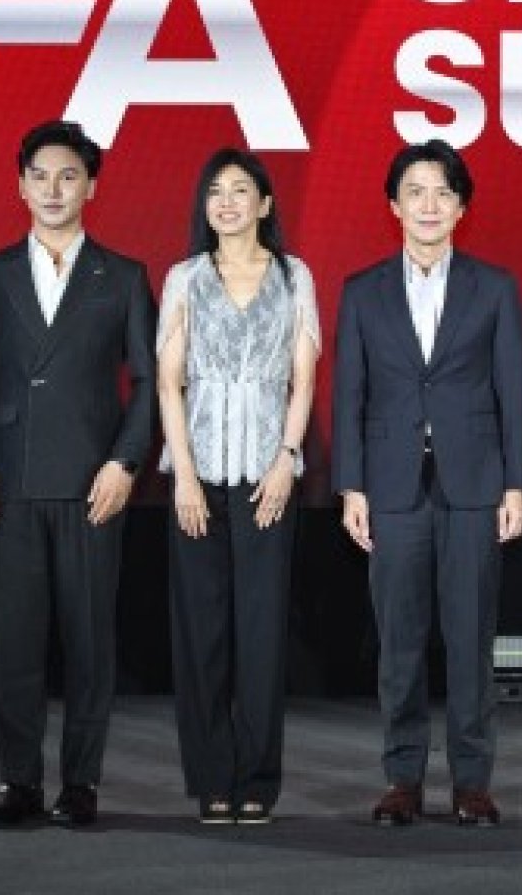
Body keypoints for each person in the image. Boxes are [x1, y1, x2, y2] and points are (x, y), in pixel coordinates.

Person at [0, 120, 157, 829]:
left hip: (92, 484)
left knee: (89, 642)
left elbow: (150, 383)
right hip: (10, 482)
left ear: (91, 187)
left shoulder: (123, 276)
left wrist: (125, 463)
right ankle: (18, 783)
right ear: (20, 186)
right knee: (17, 642)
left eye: (68, 176)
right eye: (39, 176)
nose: (53, 189)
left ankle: (81, 783)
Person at [333, 139, 522, 827]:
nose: (428, 204)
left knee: (471, 639)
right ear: (394, 205)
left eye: (443, 192)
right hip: (390, 488)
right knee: (399, 642)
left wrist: (516, 485)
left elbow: (513, 390)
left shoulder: (494, 287)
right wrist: (351, 487)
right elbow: (350, 394)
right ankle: (403, 779)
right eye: (415, 191)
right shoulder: (362, 291)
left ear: (460, 207)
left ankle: (472, 783)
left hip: (474, 485)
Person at [157, 148, 319, 826]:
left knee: (261, 634)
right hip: (198, 480)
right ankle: (211, 779)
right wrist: (184, 476)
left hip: (266, 480)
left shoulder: (294, 275)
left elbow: (303, 379)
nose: (226, 202)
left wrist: (287, 459)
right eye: (215, 191)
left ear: (264, 203)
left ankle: (257, 779)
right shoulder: (186, 278)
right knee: (202, 634)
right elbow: (169, 382)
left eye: (240, 190)